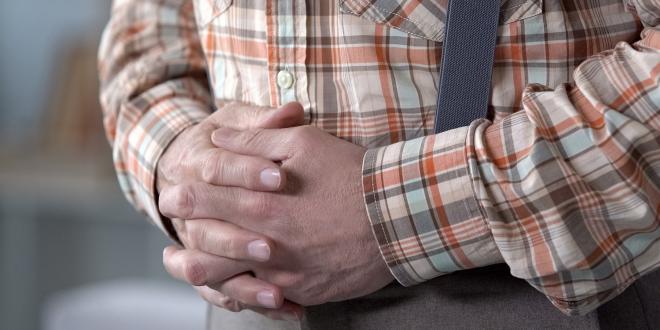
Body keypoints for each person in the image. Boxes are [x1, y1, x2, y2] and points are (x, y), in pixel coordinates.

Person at [98, 0, 660, 329]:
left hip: (523, 293)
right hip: (247, 310)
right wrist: (183, 172)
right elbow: (146, 51)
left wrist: (392, 216)